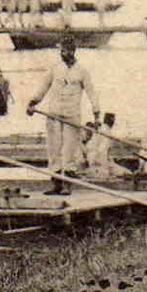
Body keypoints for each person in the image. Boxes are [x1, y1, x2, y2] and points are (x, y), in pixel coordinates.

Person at [25, 35, 101, 195]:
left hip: (71, 116)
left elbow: (91, 92)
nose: (63, 53)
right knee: (54, 150)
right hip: (53, 115)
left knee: (69, 150)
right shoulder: (55, 68)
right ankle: (56, 183)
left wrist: (96, 114)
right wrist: (33, 103)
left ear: (73, 51)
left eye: (66, 50)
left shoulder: (82, 71)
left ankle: (68, 184)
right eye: (62, 50)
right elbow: (43, 87)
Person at [84, 113, 122, 180]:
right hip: (97, 162)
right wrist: (105, 167)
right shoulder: (106, 131)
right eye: (113, 120)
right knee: (121, 173)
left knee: (123, 172)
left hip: (95, 159)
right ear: (111, 120)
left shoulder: (102, 129)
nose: (114, 122)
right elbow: (102, 151)